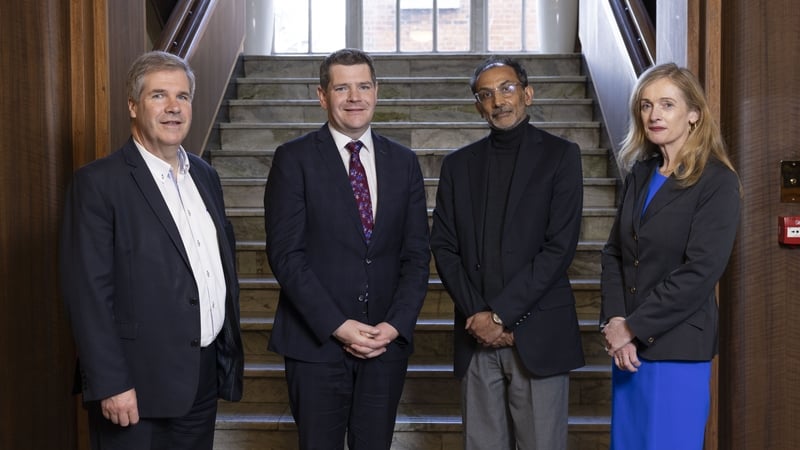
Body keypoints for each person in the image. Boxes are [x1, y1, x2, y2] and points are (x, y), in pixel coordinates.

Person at [59, 50, 244, 450]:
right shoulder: (98, 184)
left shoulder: (206, 177)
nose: (173, 107)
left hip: (201, 379)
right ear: (133, 105)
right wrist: (110, 383)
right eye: (159, 95)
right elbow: (88, 295)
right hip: (135, 387)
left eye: (183, 96)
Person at [263, 48, 430, 450]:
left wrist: (395, 325)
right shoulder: (293, 159)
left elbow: (416, 256)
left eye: (363, 87)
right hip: (316, 344)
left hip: (384, 344)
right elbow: (286, 256)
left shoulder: (404, 162)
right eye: (342, 88)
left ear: (376, 92)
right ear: (322, 95)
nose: (355, 97)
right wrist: (338, 325)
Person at [430, 56, 585, 450]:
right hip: (476, 338)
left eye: (507, 88)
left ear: (527, 94)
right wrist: (479, 316)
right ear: (478, 106)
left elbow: (559, 248)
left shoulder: (561, 156)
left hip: (538, 335)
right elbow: (444, 247)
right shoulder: (457, 166)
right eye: (486, 94)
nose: (498, 101)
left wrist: (500, 316)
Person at [600, 63, 741, 450]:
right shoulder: (641, 173)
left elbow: (700, 272)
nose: (654, 115)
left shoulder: (717, 181)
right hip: (628, 352)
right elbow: (614, 253)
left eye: (667, 104)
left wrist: (632, 327)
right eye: (646, 105)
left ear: (694, 114)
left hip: (677, 349)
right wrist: (616, 322)